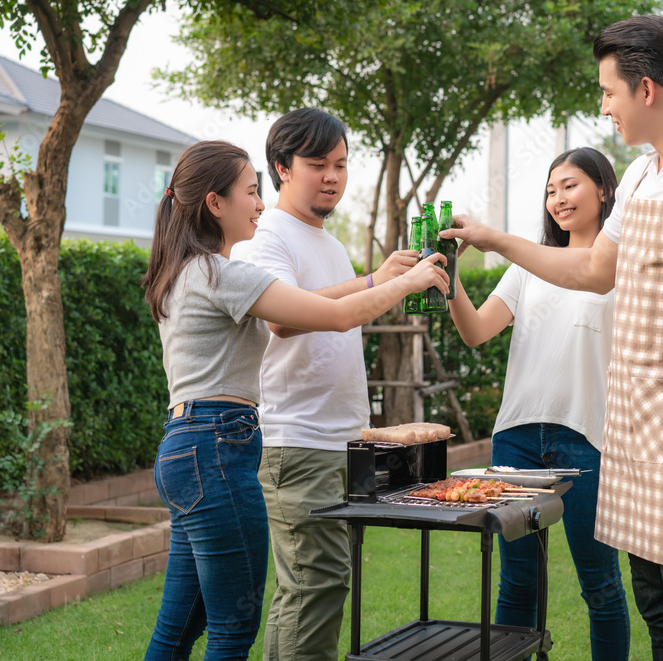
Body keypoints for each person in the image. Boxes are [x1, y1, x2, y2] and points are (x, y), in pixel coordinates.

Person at [441, 15, 663, 660]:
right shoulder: (638, 176)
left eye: (608, 92)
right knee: (656, 606)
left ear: (647, 89)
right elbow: (596, 270)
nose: (604, 108)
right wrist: (495, 239)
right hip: (634, 428)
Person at [141, 139, 447, 660]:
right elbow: (334, 317)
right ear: (215, 203)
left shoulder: (185, 271)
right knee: (233, 629)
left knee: (181, 625)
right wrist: (411, 283)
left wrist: (377, 278)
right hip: (219, 448)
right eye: (251, 191)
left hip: (186, 446)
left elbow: (301, 307)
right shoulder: (222, 273)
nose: (259, 203)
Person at [229, 108, 417, 661]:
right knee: (314, 584)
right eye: (317, 164)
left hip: (338, 441)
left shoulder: (328, 243)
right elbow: (285, 319)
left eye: (340, 164)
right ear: (282, 169)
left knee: (320, 586)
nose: (332, 176)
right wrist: (379, 282)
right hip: (296, 441)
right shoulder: (266, 238)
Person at [447, 147, 630, 660]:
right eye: (551, 190)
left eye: (569, 185)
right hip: (518, 438)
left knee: (600, 584)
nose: (558, 198)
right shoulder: (527, 268)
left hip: (588, 439)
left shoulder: (623, 267)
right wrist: (450, 278)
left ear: (604, 190)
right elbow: (477, 331)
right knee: (517, 581)